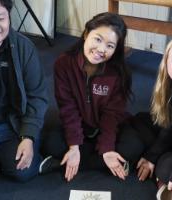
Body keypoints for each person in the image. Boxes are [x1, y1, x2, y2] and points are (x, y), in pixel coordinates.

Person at [40, 12, 143, 182]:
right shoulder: (64, 64)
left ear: (116, 49)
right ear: (86, 33)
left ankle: (64, 163)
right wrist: (74, 146)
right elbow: (67, 108)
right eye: (98, 39)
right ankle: (93, 160)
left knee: (134, 146)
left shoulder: (119, 72)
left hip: (110, 127)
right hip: (80, 125)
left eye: (110, 46)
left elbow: (113, 115)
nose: (101, 50)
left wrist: (107, 148)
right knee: (51, 144)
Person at [133, 32, 172, 200]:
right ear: (166, 61)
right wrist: (151, 156)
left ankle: (165, 178)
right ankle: (163, 165)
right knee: (140, 119)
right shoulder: (171, 86)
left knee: (167, 169)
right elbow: (168, 125)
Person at [0, 0, 48, 181]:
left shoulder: (24, 47)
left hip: (11, 124)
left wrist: (28, 136)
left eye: (0, 18)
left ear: (9, 17)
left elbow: (37, 96)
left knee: (23, 170)